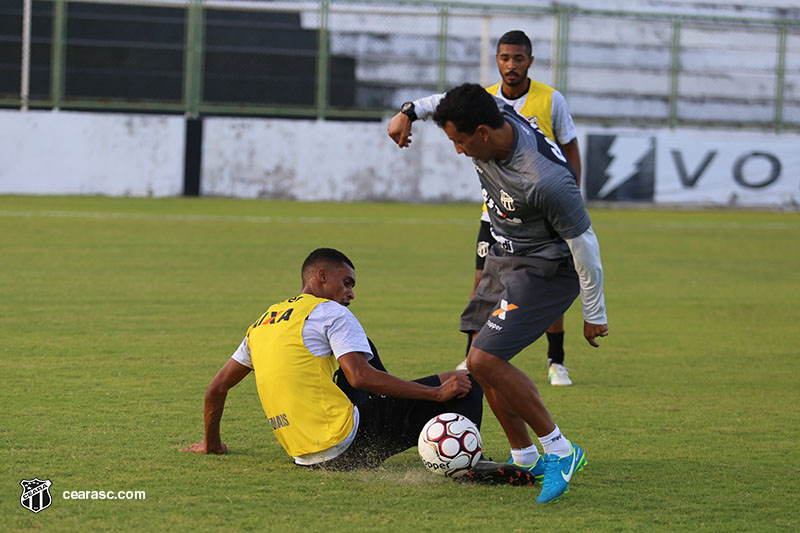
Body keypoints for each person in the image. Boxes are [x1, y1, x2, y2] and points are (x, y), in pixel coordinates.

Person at [388, 84, 609, 503]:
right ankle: (524, 456)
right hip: (502, 255)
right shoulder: (493, 112)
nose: (457, 150)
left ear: (484, 133)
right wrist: (407, 113)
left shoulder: (544, 180)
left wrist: (594, 311)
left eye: (459, 141)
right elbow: (442, 102)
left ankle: (561, 451)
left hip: (547, 266)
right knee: (479, 360)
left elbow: (586, 245)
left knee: (484, 359)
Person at [181, 247, 534, 485]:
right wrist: (435, 392)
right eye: (346, 283)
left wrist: (213, 444)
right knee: (463, 381)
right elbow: (360, 377)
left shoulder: (263, 321)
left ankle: (426, 425)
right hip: (348, 447)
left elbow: (217, 388)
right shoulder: (331, 312)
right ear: (320, 276)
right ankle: (467, 464)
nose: (350, 293)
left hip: (302, 454)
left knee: (369, 357)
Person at [394, 30, 581, 387]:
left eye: (518, 58)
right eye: (504, 58)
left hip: (541, 207)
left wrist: (572, 191)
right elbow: (439, 103)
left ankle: (556, 360)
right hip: (495, 211)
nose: (511, 65)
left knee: (547, 280)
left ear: (530, 61)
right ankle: (472, 362)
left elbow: (570, 147)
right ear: (496, 60)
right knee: (481, 282)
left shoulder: (551, 100)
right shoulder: (485, 100)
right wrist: (408, 112)